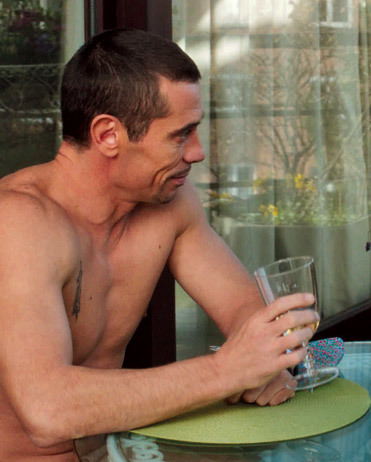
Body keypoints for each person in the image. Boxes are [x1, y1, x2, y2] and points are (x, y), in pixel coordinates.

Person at [0, 28, 319, 461]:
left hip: (117, 451)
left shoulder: (169, 203)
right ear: (108, 135)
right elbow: (46, 410)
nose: (198, 152)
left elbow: (244, 309)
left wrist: (266, 361)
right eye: (180, 135)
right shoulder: (20, 223)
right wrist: (227, 371)